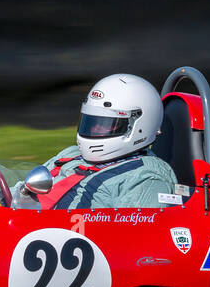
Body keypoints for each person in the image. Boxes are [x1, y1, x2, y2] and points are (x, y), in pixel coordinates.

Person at [41, 74, 178, 210]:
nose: (94, 128)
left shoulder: (147, 177)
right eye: (90, 121)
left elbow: (141, 231)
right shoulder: (70, 154)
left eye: (106, 124)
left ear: (138, 126)